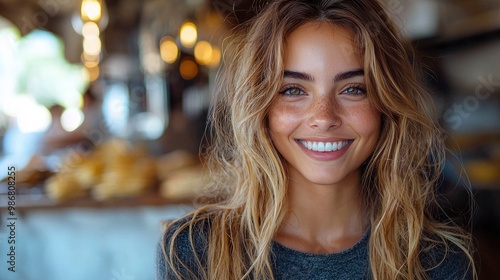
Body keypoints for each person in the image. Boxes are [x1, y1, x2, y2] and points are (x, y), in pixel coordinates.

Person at [156, 0, 476, 279]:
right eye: (293, 90)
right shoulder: (195, 252)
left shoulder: (438, 263)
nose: (323, 117)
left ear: (386, 105)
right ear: (261, 107)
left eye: (354, 89)